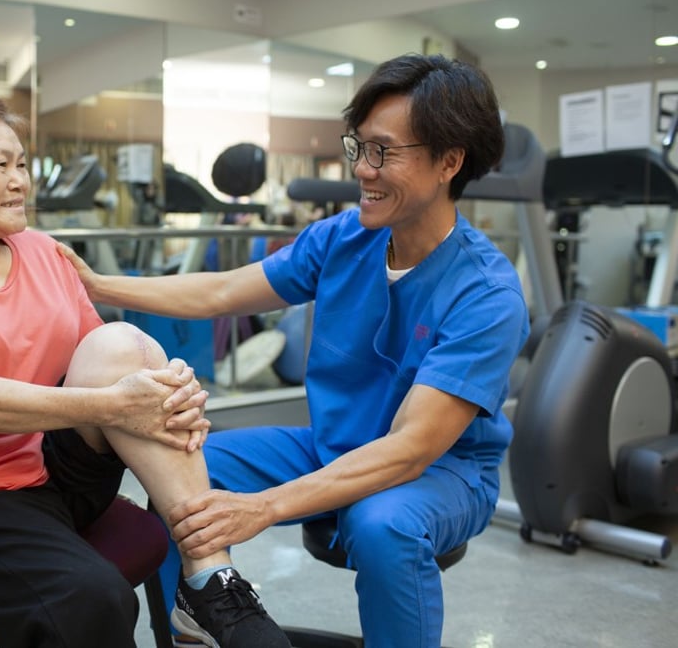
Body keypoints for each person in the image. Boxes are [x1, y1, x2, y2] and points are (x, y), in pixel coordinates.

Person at [59, 53, 531, 647]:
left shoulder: (485, 293)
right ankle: (194, 629)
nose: (363, 169)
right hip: (329, 445)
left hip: (442, 471)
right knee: (182, 467)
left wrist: (264, 508)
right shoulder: (344, 237)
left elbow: (410, 451)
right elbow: (225, 290)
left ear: (449, 162)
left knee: (383, 524)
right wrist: (98, 285)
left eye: (384, 152)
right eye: (358, 147)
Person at [0, 92, 292, 648]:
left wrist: (170, 390)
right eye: (1, 165)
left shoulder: (42, 251)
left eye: (22, 164)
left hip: (58, 469)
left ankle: (207, 579)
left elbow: (104, 357)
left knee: (123, 340)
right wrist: (117, 404)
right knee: (95, 597)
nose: (20, 182)